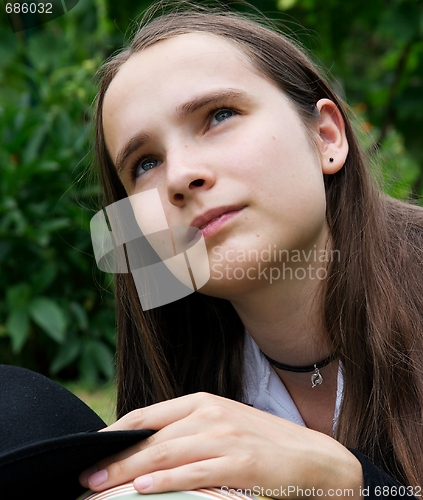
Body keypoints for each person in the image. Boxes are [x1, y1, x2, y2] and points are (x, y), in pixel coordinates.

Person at [79, 1, 423, 498]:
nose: (179, 175)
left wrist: (352, 485)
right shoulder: (180, 392)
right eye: (145, 163)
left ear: (326, 136)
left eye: (219, 115)